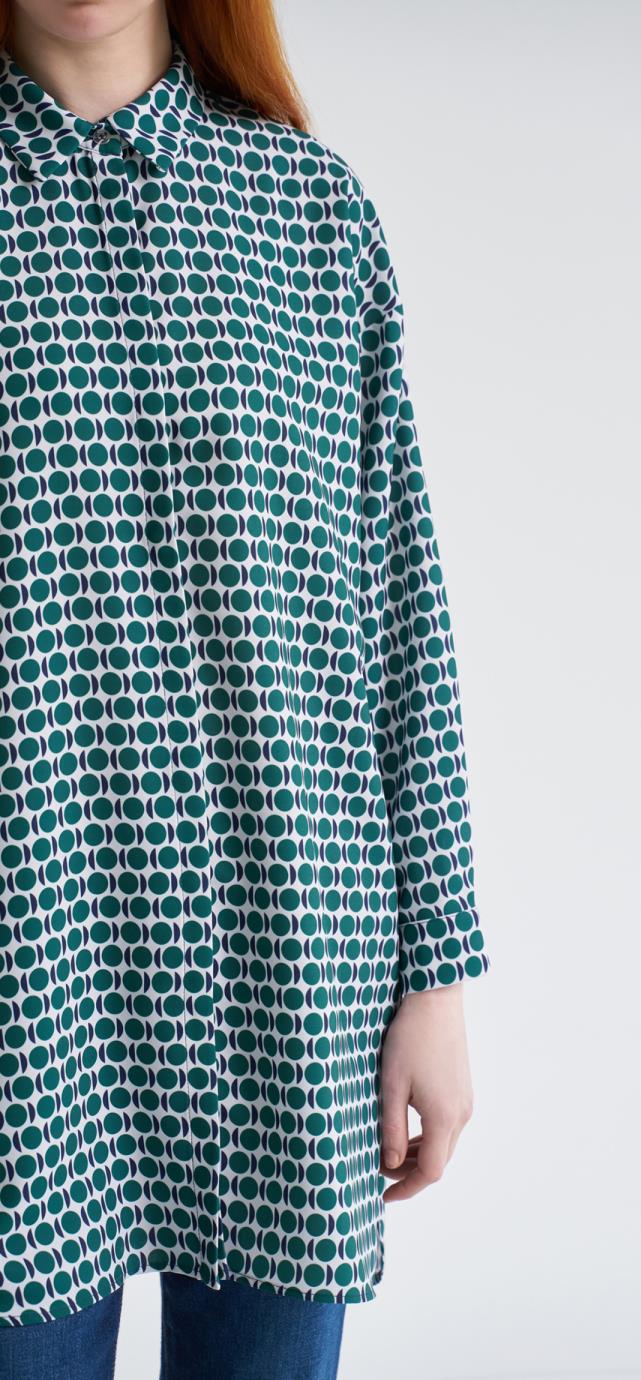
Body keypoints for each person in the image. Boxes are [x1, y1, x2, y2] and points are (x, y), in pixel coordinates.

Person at [0, 0, 490, 1375]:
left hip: (289, 958)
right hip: (31, 966)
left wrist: (438, 975)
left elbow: (398, 603)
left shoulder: (307, 215)